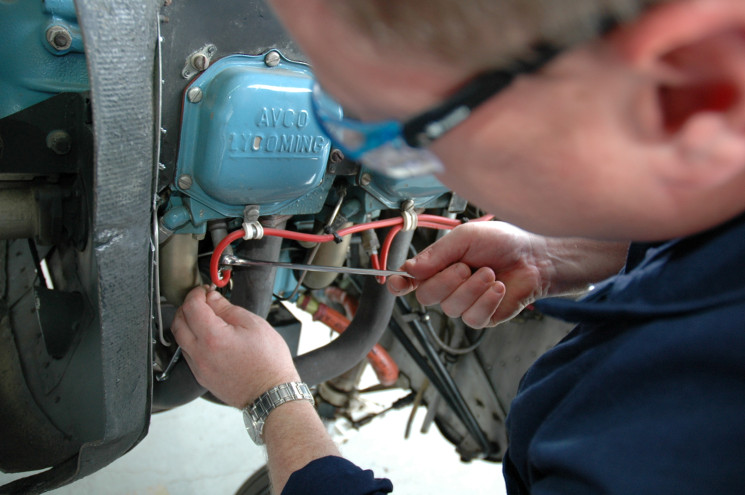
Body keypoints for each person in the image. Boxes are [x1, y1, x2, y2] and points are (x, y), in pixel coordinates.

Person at [170, 0, 745, 493]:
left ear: (687, 88)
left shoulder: (666, 439)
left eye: (401, 134)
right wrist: (553, 256)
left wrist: (276, 402)